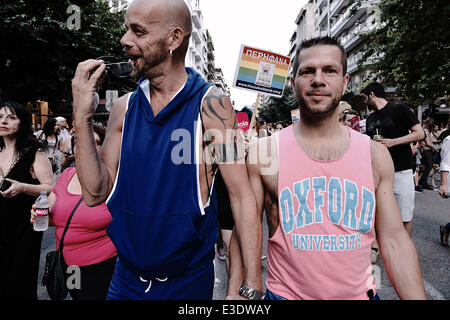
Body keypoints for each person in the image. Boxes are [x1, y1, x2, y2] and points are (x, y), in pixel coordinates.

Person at [71, 0, 261, 300]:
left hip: (186, 283)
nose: (124, 40)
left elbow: (240, 196)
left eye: (138, 31)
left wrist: (251, 281)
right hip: (125, 281)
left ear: (173, 38)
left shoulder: (212, 106)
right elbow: (94, 193)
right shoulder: (124, 107)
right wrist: (81, 117)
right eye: (126, 30)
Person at [246, 36, 426, 300]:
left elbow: (394, 240)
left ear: (344, 83)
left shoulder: (375, 155)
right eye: (307, 71)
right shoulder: (264, 152)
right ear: (294, 82)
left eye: (329, 70)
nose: (318, 79)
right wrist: (244, 291)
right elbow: (247, 230)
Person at [31, 124, 117, 300]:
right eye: (81, 141)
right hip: (69, 265)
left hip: (101, 264)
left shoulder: (113, 180)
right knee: (76, 296)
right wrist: (40, 213)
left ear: (104, 148)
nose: (87, 147)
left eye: (96, 142)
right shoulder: (67, 174)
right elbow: (53, 214)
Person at [0, 101, 54, 300]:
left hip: (25, 223)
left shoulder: (34, 152)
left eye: (11, 117)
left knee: (20, 277)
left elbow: (50, 187)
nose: (3, 121)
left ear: (22, 123)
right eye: (0, 117)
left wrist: (23, 187)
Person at [361, 82, 425, 237]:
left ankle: (404, 252)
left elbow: (419, 133)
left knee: (404, 217)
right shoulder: (370, 119)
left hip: (400, 172)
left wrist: (393, 142)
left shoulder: (399, 109)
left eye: (364, 98)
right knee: (379, 218)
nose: (364, 102)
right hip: (377, 175)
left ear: (372, 95)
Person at [438, 120, 450, 246]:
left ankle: (447, 228)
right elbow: (445, 162)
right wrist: (444, 184)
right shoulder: (449, 140)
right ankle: (447, 229)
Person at [419, 118, 438, 190]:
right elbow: (428, 142)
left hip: (424, 150)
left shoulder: (424, 130)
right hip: (426, 151)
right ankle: (423, 182)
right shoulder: (426, 131)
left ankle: (421, 181)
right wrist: (435, 148)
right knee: (429, 166)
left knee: (423, 167)